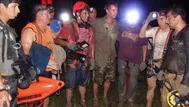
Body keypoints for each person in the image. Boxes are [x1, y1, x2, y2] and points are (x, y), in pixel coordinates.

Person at [54, 1, 94, 107]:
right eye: (85, 13)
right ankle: (69, 103)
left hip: (84, 60)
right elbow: (57, 40)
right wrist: (68, 44)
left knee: (83, 82)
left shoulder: (89, 28)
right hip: (72, 59)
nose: (88, 15)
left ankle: (83, 101)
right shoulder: (69, 27)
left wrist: (92, 58)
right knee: (70, 84)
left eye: (88, 13)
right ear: (77, 14)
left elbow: (91, 44)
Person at [21, 4, 58, 107]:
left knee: (46, 96)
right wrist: (30, 75)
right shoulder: (30, 30)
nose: (50, 16)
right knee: (35, 100)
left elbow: (57, 39)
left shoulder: (48, 29)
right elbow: (25, 56)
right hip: (36, 71)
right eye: (47, 14)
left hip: (47, 69)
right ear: (40, 15)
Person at [139, 10, 171, 107]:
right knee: (150, 87)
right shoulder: (155, 30)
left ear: (167, 20)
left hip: (166, 66)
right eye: (158, 20)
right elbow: (141, 35)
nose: (159, 21)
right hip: (153, 63)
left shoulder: (173, 32)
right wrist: (148, 21)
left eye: (162, 19)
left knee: (164, 90)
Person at [160, 5, 189, 107]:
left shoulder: (187, 32)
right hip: (169, 75)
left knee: (179, 104)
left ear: (177, 17)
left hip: (181, 77)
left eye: (169, 18)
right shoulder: (172, 33)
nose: (167, 21)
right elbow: (167, 53)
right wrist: (161, 70)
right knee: (164, 101)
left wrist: (185, 82)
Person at [92, 1, 119, 107]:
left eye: (116, 10)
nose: (116, 12)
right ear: (107, 11)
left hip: (111, 56)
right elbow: (84, 23)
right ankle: (95, 98)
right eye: (113, 10)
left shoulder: (117, 24)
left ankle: (104, 97)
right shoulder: (97, 22)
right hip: (100, 57)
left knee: (108, 79)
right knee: (97, 80)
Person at [118, 21, 148, 107]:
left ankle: (130, 99)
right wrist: (130, 35)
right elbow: (119, 36)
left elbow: (144, 46)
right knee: (121, 80)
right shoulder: (122, 28)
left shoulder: (140, 30)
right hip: (122, 58)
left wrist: (143, 61)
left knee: (133, 81)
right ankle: (122, 98)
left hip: (135, 60)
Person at [0, 0, 21, 106]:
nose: (18, 10)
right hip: (3, 81)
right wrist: (1, 88)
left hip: (11, 79)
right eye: (15, 6)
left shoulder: (8, 29)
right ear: (2, 6)